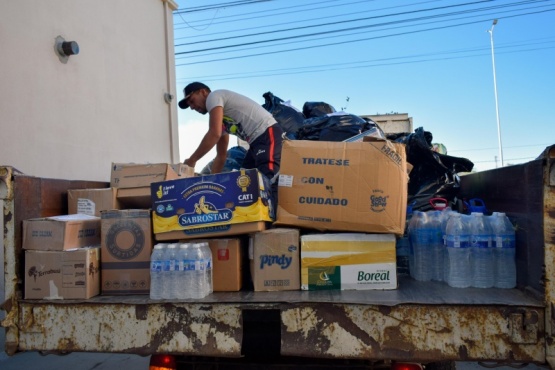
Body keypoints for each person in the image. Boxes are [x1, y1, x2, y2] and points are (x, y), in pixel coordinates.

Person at [178, 82, 283, 204]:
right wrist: (211, 186)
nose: (192, 107)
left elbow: (214, 133)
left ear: (203, 92)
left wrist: (192, 160)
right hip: (256, 143)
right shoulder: (222, 120)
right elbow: (221, 156)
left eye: (191, 101)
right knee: (245, 181)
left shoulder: (214, 96)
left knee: (267, 179)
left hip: (267, 133)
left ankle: (275, 220)